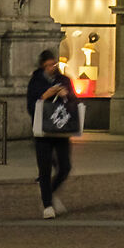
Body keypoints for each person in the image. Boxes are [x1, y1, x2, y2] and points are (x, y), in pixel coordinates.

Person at [28, 49, 79, 217]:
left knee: (65, 166)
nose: (51, 68)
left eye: (53, 64)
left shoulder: (64, 80)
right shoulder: (36, 81)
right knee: (44, 169)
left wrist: (66, 95)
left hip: (61, 129)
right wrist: (44, 96)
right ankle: (47, 205)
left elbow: (75, 104)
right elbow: (30, 106)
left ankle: (50, 192)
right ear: (42, 66)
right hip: (43, 130)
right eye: (48, 65)